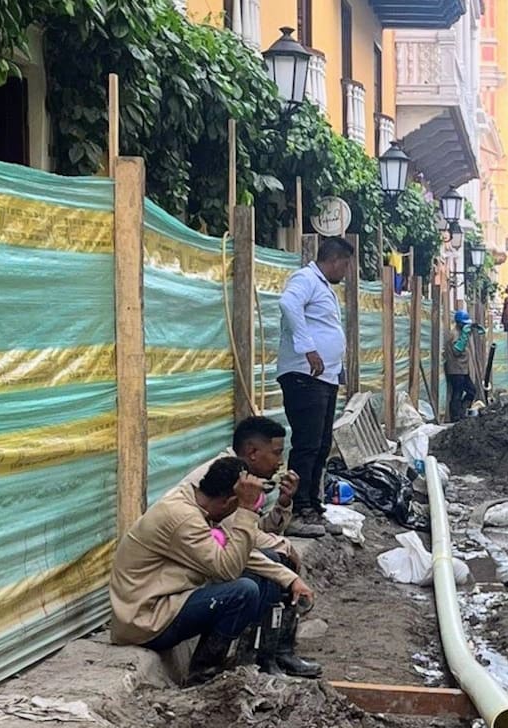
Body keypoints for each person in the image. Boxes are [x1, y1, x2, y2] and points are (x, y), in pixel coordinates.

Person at [109, 457, 316, 686]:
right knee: (243, 591)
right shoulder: (183, 517)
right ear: (230, 502)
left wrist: (290, 579)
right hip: (145, 620)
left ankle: (253, 659)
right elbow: (228, 568)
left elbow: (239, 553)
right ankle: (203, 676)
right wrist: (246, 511)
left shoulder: (195, 504)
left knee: (260, 575)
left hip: (162, 605)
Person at [177, 416, 323, 677]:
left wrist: (283, 504)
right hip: (197, 566)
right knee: (273, 562)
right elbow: (236, 537)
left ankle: (274, 653)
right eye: (276, 453)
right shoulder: (227, 478)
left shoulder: (248, 477)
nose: (280, 462)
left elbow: (254, 530)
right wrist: (284, 547)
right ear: (252, 452)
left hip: (217, 555)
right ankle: (252, 658)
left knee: (277, 558)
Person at [277, 236, 353, 538]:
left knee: (321, 444)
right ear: (333, 261)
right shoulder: (306, 278)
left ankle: (312, 505)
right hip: (303, 376)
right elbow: (288, 303)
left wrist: (336, 368)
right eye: (345, 265)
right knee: (307, 444)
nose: (345, 272)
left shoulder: (322, 286)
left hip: (323, 378)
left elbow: (325, 328)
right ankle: (297, 511)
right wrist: (307, 348)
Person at [444, 310, 479, 422]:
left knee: (471, 391)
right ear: (458, 323)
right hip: (456, 369)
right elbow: (457, 351)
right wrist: (464, 336)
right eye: (464, 323)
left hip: (462, 369)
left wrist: (472, 329)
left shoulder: (460, 332)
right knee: (457, 393)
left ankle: (461, 412)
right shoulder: (454, 334)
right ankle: (456, 416)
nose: (465, 325)